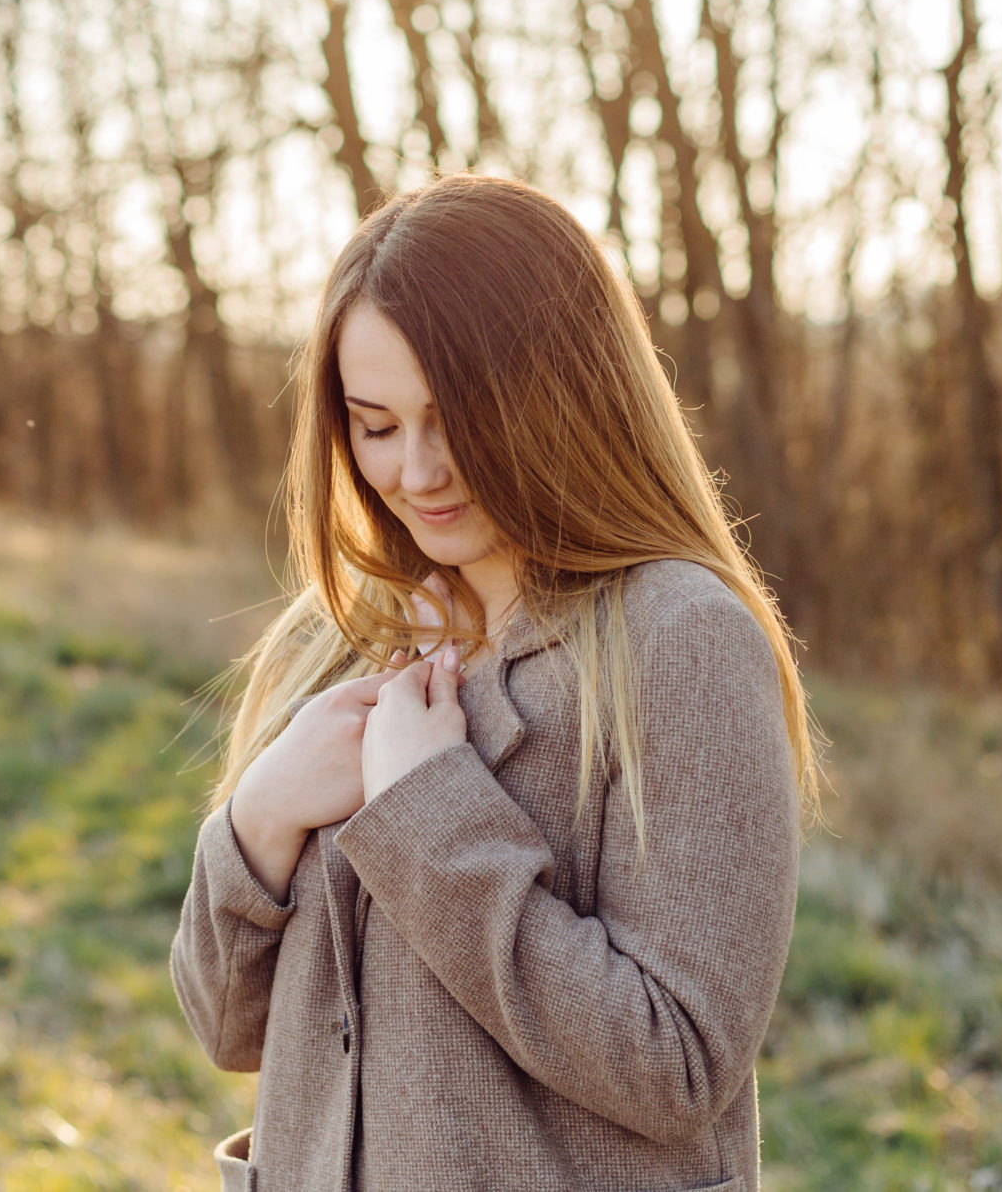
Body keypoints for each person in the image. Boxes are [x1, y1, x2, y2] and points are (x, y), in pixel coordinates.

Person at [170, 173, 819, 1192]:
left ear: (566, 393)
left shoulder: (678, 640)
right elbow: (226, 1024)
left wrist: (426, 813)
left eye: (458, 419)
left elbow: (677, 1063)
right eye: (375, 426)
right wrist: (259, 817)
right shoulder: (342, 632)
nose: (417, 471)